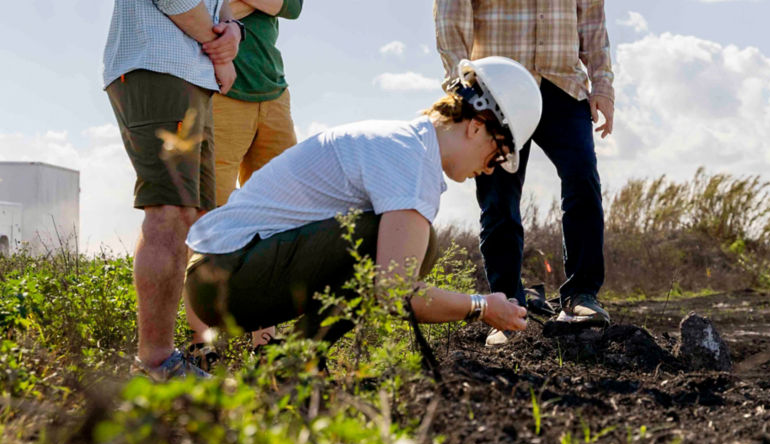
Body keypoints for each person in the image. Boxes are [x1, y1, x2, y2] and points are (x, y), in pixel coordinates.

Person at [102, 0, 272, 379]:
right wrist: (219, 44)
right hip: (153, 67)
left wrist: (226, 34)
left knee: (201, 218)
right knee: (169, 214)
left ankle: (206, 343)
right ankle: (154, 362)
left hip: (190, 70)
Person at [184, 57, 542, 345]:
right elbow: (396, 293)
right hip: (225, 279)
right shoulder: (411, 159)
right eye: (499, 153)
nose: (493, 169)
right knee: (384, 242)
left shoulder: (404, 145)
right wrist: (482, 307)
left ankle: (295, 360)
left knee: (417, 243)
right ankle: (297, 364)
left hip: (221, 275)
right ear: (477, 126)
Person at [433, 0, 614, 345]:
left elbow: (593, 20)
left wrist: (602, 85)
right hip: (497, 96)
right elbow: (451, 25)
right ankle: (505, 313)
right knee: (500, 204)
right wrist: (462, 95)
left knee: (583, 183)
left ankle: (581, 297)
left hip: (562, 87)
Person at [202, 0, 303, 354]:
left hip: (274, 92)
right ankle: (204, 336)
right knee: (211, 217)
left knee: (279, 219)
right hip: (223, 91)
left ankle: (261, 330)